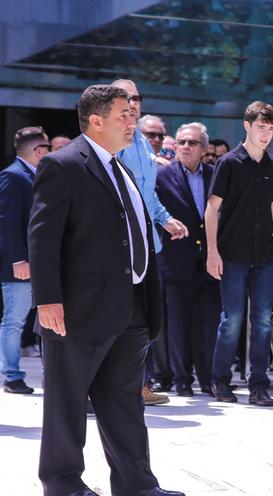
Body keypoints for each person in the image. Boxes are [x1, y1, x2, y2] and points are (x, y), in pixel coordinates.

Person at [29, 84, 183, 496]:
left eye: (133, 113)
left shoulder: (123, 168)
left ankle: (137, 486)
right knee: (66, 405)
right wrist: (47, 299)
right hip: (78, 310)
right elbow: (42, 239)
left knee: (125, 404)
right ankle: (62, 486)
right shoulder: (62, 165)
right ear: (96, 121)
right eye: (123, 115)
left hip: (130, 308)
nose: (133, 121)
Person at [112, 78, 188, 404]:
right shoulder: (110, 143)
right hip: (118, 247)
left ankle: (140, 385)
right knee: (116, 319)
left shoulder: (143, 144)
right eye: (126, 97)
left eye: (137, 97)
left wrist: (165, 219)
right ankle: (111, 388)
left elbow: (148, 196)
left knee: (142, 319)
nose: (133, 102)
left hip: (148, 246)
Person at [205, 101, 273, 406]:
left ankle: (259, 386)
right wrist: (212, 252)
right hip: (233, 253)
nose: (266, 135)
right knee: (233, 319)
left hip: (264, 255)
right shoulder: (228, 163)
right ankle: (220, 380)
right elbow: (211, 208)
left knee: (264, 321)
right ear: (247, 126)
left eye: (270, 129)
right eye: (261, 128)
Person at [156, 122, 220, 397]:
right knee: (177, 325)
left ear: (204, 149)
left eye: (192, 143)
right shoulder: (162, 176)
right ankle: (181, 378)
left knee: (207, 324)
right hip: (175, 260)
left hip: (208, 262)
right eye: (181, 142)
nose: (185, 147)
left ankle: (207, 378)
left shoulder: (214, 175)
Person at [0, 126, 50, 394]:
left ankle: (47, 374)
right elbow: (6, 223)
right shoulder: (12, 176)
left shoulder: (34, 175)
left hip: (40, 264)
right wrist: (18, 260)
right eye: (48, 148)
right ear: (39, 151)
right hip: (20, 266)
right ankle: (11, 375)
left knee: (43, 321)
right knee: (14, 320)